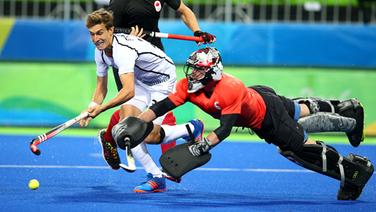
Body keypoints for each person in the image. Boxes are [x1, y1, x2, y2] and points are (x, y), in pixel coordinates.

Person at [116, 47, 373, 200]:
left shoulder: (229, 89)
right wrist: (136, 122)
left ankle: (354, 172)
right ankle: (348, 112)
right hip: (259, 96)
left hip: (266, 118)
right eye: (192, 68)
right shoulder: (187, 86)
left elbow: (225, 129)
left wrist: (201, 147)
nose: (191, 73)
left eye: (197, 70)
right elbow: (161, 107)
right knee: (299, 109)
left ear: (212, 72)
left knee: (298, 149)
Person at [80, 9, 204, 193]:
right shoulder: (101, 51)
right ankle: (156, 178)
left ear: (111, 30)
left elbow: (128, 91)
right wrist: (92, 107)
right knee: (126, 129)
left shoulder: (123, 51)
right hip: (141, 82)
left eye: (99, 33)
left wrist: (101, 109)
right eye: (92, 34)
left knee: (150, 135)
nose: (96, 38)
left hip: (162, 82)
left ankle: (192, 128)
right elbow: (101, 88)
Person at [106, 0, 216, 154]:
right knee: (131, 128)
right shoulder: (119, 2)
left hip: (155, 64)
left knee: (149, 131)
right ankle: (155, 174)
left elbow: (184, 10)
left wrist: (197, 31)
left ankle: (190, 130)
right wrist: (127, 39)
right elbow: (107, 36)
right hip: (128, 64)